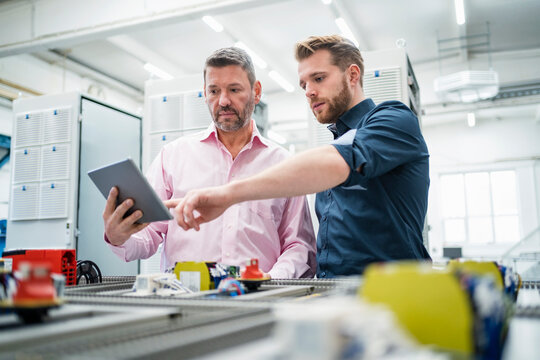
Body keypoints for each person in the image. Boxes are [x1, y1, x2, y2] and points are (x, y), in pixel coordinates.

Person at [166, 35, 431, 278]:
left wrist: (228, 195)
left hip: (393, 297)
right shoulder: (336, 144)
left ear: (352, 75)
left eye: (318, 78)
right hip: (339, 298)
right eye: (304, 84)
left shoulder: (393, 120)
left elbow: (337, 162)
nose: (308, 91)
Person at [103, 47, 316, 279]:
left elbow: (299, 246)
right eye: (214, 91)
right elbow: (150, 234)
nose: (223, 101)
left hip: (257, 301)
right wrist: (119, 237)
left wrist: (271, 281)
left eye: (234, 89)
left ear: (256, 92)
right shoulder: (173, 156)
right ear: (204, 93)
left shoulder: (282, 163)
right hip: (186, 302)